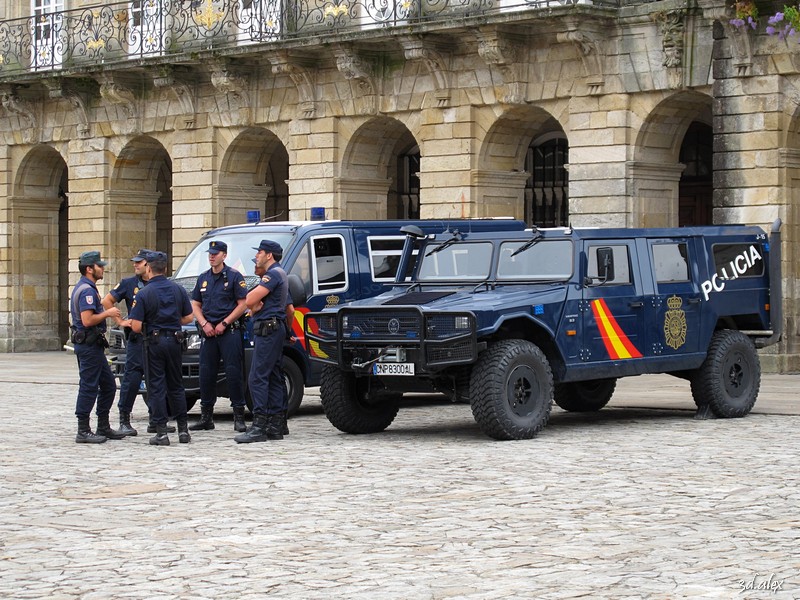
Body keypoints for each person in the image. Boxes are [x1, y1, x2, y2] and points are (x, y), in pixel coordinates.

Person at [129, 251, 195, 446]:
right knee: (176, 385)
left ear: (149, 268)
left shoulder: (144, 293)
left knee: (156, 387)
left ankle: (161, 432)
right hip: (175, 340)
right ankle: (183, 430)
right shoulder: (178, 290)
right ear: (165, 268)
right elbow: (189, 317)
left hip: (154, 342)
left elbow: (136, 326)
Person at [189, 240, 249, 433]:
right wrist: (204, 323)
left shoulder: (233, 276)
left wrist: (225, 323)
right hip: (209, 333)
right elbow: (195, 304)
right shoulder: (203, 278)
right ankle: (206, 417)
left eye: (216, 253)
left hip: (229, 331)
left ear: (224, 255)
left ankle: (238, 416)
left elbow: (243, 304)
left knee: (233, 373)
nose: (212, 256)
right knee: (206, 374)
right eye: (210, 254)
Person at [235, 240, 290, 443]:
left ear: (269, 255)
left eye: (260, 252)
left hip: (268, 329)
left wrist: (254, 304)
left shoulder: (272, 274)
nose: (257, 255)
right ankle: (275, 425)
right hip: (274, 328)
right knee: (274, 376)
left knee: (257, 377)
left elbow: (249, 300)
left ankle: (259, 425)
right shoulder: (279, 273)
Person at [70, 250, 123, 443]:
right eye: (99, 266)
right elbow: (87, 320)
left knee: (108, 385)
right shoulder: (87, 291)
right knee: (89, 386)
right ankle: (83, 429)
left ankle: (103, 426)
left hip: (93, 345)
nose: (102, 269)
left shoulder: (87, 287)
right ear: (89, 269)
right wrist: (108, 313)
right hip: (89, 345)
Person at [101, 248, 152, 437]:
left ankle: (156, 418)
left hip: (154, 338)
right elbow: (107, 301)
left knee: (156, 377)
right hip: (136, 338)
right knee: (132, 379)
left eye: (139, 262)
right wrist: (121, 321)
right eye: (135, 262)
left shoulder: (158, 282)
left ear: (148, 264)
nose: (135, 265)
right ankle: (124, 419)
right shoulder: (129, 283)